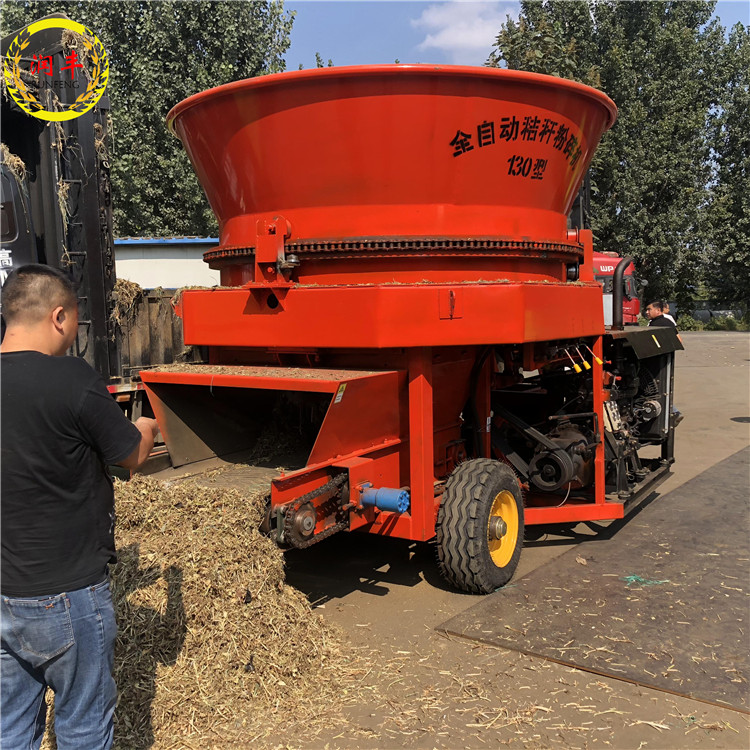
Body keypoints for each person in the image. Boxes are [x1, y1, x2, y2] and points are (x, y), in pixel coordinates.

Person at [1, 264, 159, 750]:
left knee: (9, 728)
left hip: (4, 591)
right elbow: (130, 455)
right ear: (59, 316)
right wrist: (149, 426)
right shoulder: (71, 378)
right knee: (84, 726)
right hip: (67, 594)